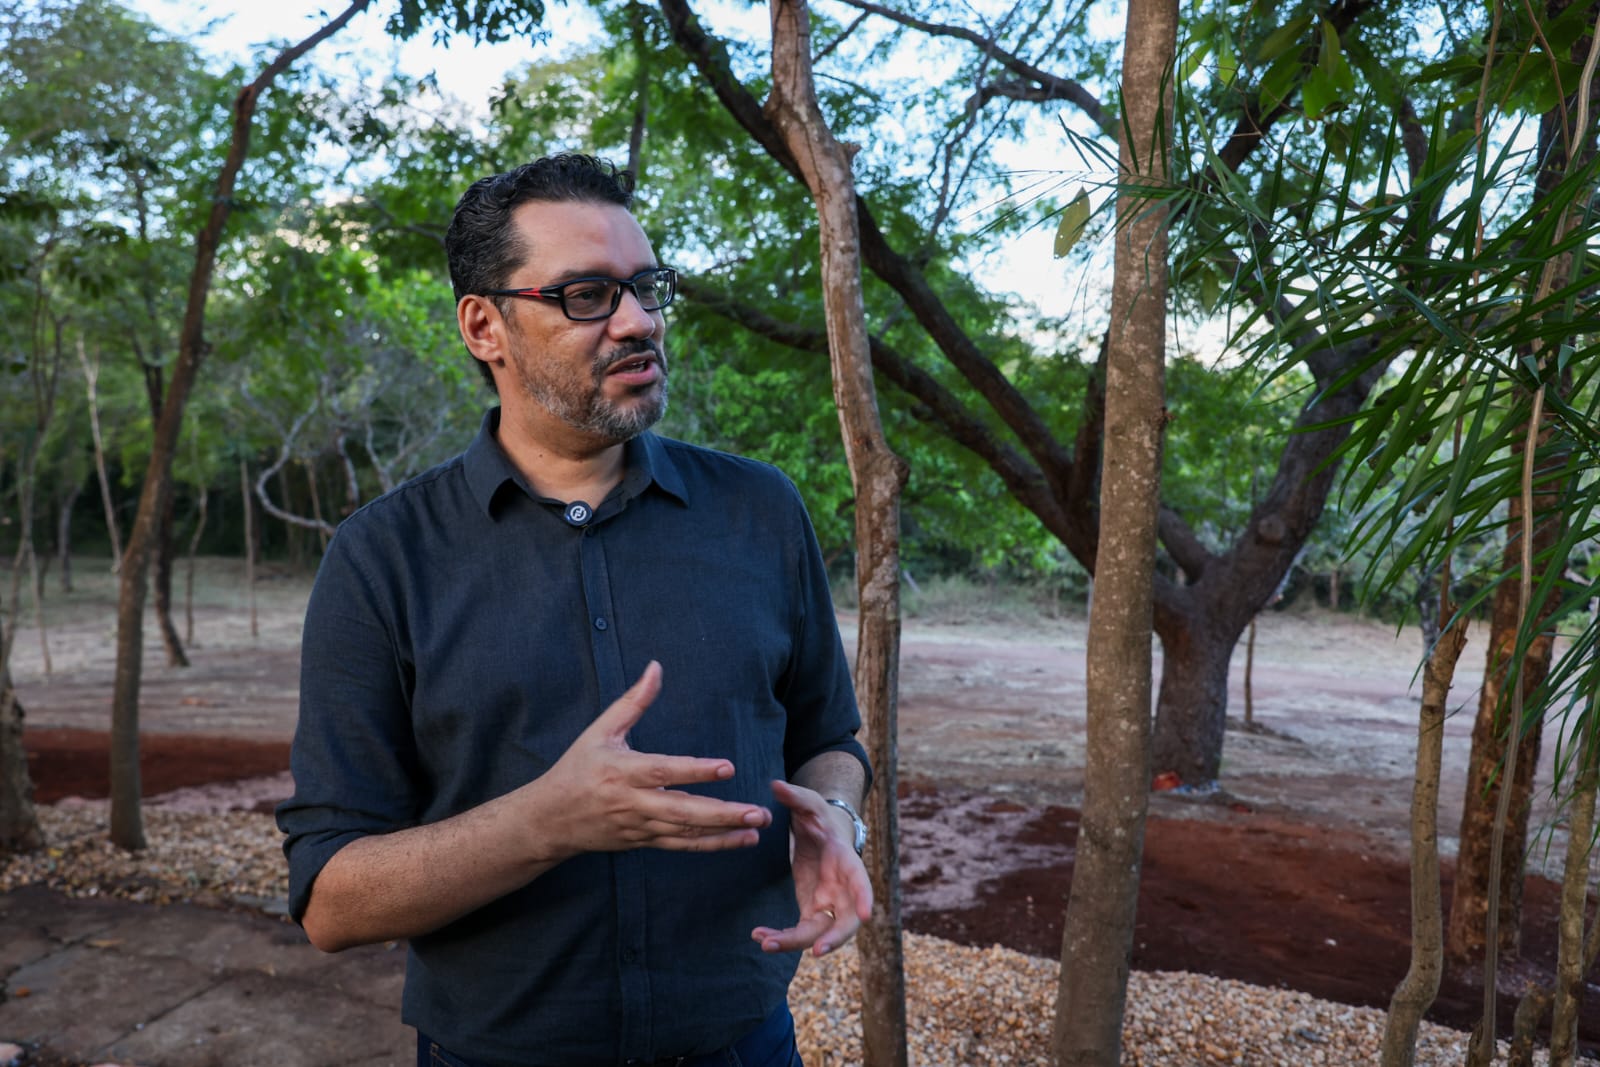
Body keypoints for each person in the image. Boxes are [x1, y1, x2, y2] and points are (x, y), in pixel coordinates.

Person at [277, 153, 873, 1067]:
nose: (639, 321)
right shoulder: (380, 557)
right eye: (588, 295)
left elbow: (829, 734)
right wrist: (546, 821)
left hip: (744, 1043)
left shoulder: (761, 510)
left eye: (646, 287)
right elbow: (330, 899)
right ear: (486, 326)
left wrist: (833, 814)